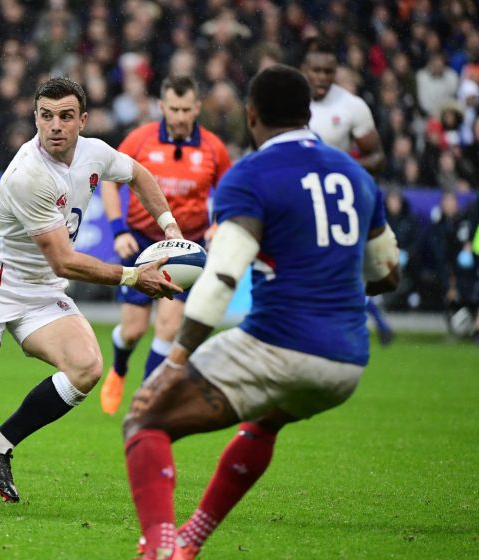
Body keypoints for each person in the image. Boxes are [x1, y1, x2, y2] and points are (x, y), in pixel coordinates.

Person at [122, 65, 399, 560]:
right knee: (264, 423)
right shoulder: (355, 175)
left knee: (144, 421)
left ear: (251, 116)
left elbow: (223, 278)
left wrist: (178, 359)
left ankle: (160, 549)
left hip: (280, 343)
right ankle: (189, 541)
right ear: (309, 113)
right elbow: (386, 275)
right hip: (347, 361)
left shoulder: (249, 176)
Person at [0, 77, 183, 502]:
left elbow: (139, 175)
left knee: (86, 367)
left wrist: (170, 229)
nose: (55, 126)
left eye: (66, 117)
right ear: (35, 118)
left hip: (41, 289)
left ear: (83, 120)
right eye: (46, 116)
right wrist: (132, 275)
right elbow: (65, 261)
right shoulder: (28, 173)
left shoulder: (95, 153)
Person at [99, 75, 231, 416]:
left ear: (197, 108)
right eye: (174, 108)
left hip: (187, 248)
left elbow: (231, 194)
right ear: (162, 107)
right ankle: (119, 368)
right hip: (142, 243)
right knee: (133, 330)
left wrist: (218, 226)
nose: (180, 116)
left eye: (187, 109)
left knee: (169, 326)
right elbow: (111, 183)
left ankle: (146, 400)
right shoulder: (140, 140)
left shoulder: (213, 148)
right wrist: (118, 231)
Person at [302, 37, 394, 345]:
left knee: (332, 270)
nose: (322, 77)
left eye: (329, 71)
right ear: (303, 69)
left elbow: (378, 157)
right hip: (293, 201)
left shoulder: (351, 106)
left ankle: (346, 328)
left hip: (333, 204)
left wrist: (338, 169)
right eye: (316, 70)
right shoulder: (285, 101)